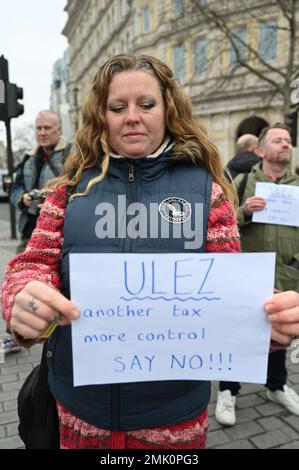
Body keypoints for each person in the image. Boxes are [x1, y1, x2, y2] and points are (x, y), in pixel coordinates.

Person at [0, 55, 298, 450]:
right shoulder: (70, 188)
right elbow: (33, 263)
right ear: (101, 116)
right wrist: (22, 297)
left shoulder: (206, 191)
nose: (132, 117)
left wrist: (271, 322)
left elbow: (231, 289)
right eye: (117, 107)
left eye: (146, 104)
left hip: (173, 418)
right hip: (77, 410)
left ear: (168, 108)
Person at [215, 123, 299, 426]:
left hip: (286, 275)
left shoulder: (297, 185)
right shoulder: (240, 181)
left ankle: (276, 386)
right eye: (278, 140)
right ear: (261, 150)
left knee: (281, 332)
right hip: (247, 274)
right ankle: (228, 390)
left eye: (289, 140)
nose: (286, 145)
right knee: (237, 333)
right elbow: (221, 226)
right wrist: (244, 212)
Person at [1, 110, 71, 354]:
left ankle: (53, 329)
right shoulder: (28, 159)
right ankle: (17, 330)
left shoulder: (74, 155)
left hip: (59, 229)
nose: (42, 133)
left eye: (47, 128)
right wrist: (22, 198)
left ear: (59, 129)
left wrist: (55, 204)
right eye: (38, 128)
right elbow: (14, 188)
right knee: (21, 275)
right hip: (30, 228)